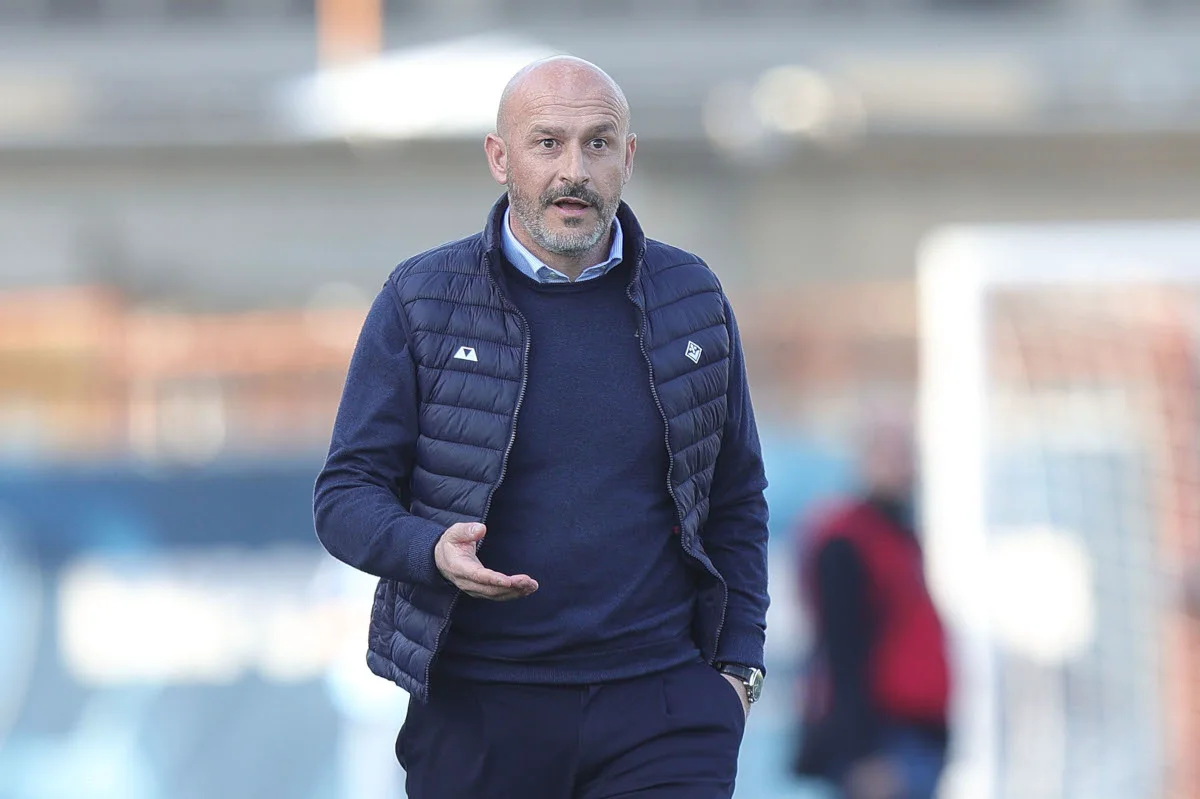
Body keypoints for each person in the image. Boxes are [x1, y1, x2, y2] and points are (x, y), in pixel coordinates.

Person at [313, 56, 769, 799]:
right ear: (500, 157)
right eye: (547, 143)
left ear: (628, 157)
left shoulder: (693, 296)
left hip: (662, 712)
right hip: (479, 707)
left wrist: (736, 674)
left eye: (597, 143)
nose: (573, 171)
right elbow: (344, 495)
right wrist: (427, 548)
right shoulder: (421, 299)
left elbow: (738, 496)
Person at [792, 414, 951, 799]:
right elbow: (842, 649)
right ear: (865, 459)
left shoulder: (898, 535)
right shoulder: (848, 541)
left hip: (917, 736)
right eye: (892, 453)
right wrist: (863, 754)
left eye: (908, 454)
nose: (905, 466)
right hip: (883, 744)